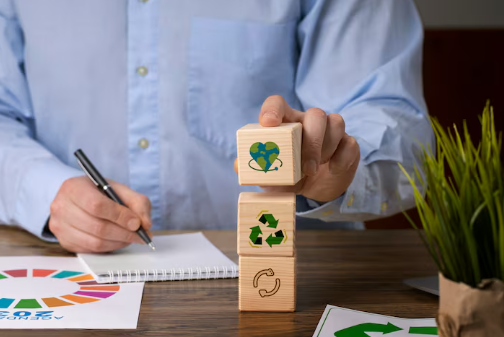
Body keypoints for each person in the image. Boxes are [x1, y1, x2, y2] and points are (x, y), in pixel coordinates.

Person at [0, 0, 432, 253]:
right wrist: (46, 190)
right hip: (69, 273)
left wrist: (341, 168)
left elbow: (395, 123)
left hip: (304, 276)